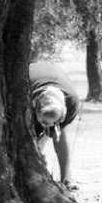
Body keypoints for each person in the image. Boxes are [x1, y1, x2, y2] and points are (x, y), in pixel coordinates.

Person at [29, 62, 81, 190]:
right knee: (31, 137)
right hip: (33, 74)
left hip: (55, 77)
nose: (49, 126)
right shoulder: (25, 100)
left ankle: (66, 178)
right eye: (44, 122)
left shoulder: (71, 102)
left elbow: (57, 133)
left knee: (58, 132)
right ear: (35, 109)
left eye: (54, 122)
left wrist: (52, 127)